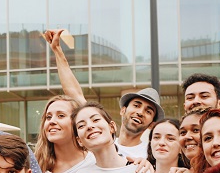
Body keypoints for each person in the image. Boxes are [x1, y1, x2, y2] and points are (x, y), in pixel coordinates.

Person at [43, 29, 163, 157]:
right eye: (136, 105)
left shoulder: (153, 155)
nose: (140, 112)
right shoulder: (98, 140)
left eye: (148, 111)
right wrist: (57, 50)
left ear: (152, 124)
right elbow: (75, 93)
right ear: (123, 110)